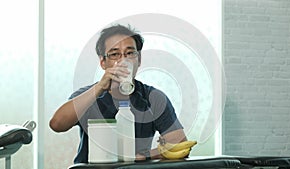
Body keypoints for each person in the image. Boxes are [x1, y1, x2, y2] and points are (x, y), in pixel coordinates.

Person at [49, 24, 187, 163]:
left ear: (138, 60)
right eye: (115, 54)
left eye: (130, 53)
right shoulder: (89, 95)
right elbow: (57, 124)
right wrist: (100, 87)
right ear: (103, 62)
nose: (123, 60)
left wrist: (146, 155)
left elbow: (179, 142)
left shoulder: (153, 98)